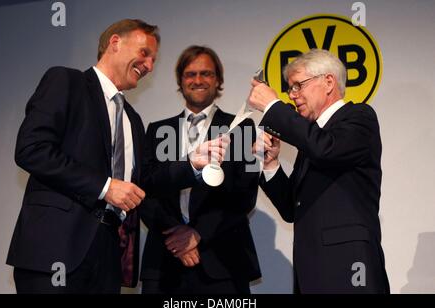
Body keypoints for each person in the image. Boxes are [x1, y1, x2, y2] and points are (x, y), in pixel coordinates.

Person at [6, 19, 160, 293]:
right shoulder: (66, 81)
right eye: (144, 53)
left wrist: (193, 163)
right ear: (115, 42)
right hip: (56, 250)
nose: (149, 65)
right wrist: (105, 187)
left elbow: (146, 181)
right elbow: (32, 149)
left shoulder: (133, 120)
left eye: (153, 60)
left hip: (108, 255)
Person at [249, 49, 389, 293]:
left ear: (328, 82)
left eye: (298, 86)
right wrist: (271, 164)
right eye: (290, 89)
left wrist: (273, 105)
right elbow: (292, 209)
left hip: (349, 269)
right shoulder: (313, 140)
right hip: (311, 274)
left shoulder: (359, 117)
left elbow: (325, 149)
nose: (293, 96)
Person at [139, 45, 261, 294]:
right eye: (190, 74)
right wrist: (176, 236)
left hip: (223, 261)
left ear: (218, 80)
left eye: (206, 73)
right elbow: (145, 190)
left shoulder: (240, 127)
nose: (198, 80)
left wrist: (197, 234)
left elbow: (244, 194)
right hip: (164, 262)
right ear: (181, 81)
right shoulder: (157, 130)